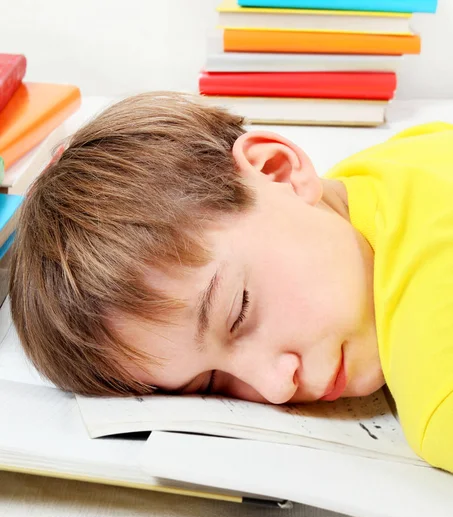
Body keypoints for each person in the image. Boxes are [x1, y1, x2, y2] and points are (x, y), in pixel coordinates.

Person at [8, 92, 453, 473]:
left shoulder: (438, 395)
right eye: (211, 384)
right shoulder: (387, 168)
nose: (277, 387)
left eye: (238, 310)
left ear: (278, 170)